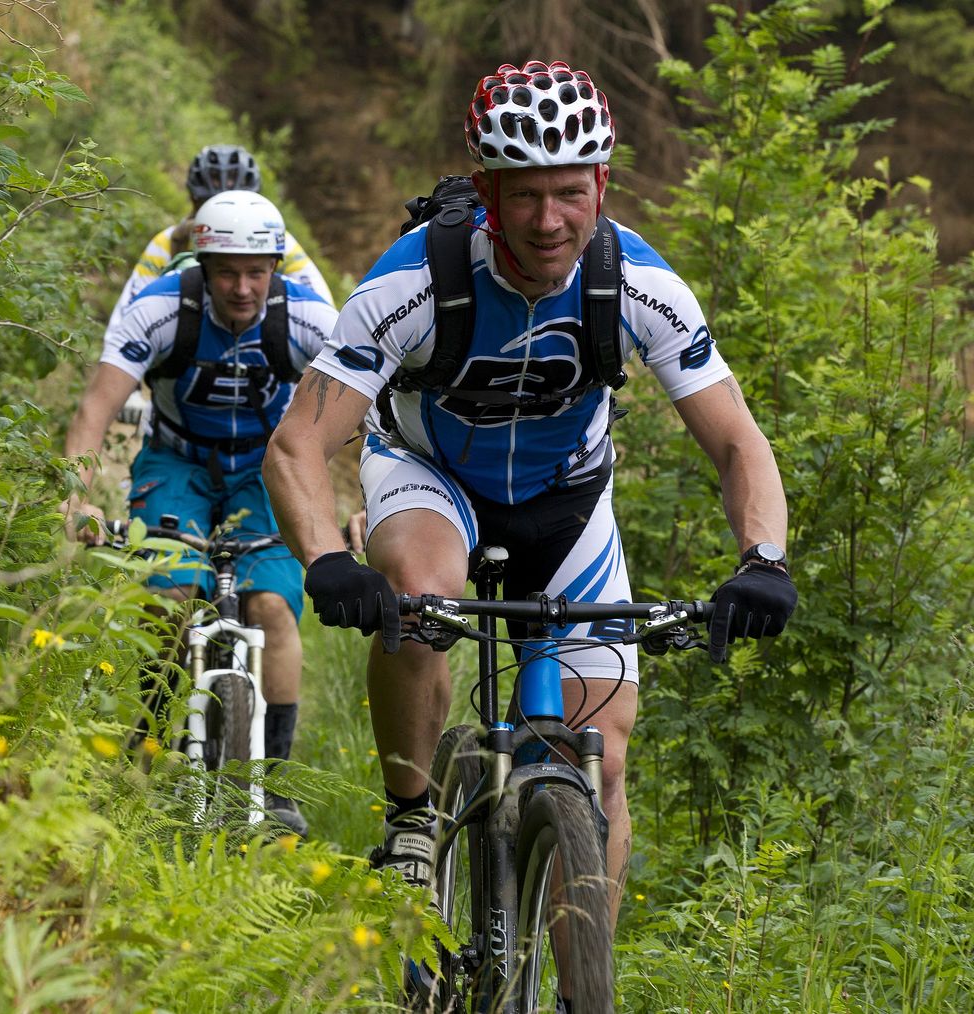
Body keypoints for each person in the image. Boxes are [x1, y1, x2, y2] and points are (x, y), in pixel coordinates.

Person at [262, 61, 797, 919]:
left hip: (568, 501)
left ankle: (584, 980)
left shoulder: (639, 287)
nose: (550, 221)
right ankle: (409, 821)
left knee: (602, 763)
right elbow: (297, 445)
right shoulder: (409, 286)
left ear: (601, 185)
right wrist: (327, 558)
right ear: (486, 191)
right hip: (431, 478)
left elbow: (738, 441)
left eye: (568, 193)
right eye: (524, 196)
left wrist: (762, 559)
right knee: (420, 596)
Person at [64, 190, 339, 837]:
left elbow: (367, 415)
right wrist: (75, 493)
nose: (242, 288)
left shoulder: (305, 319)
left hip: (267, 466)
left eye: (256, 272)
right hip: (176, 463)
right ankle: (152, 731)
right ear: (202, 268)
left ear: (276, 268)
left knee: (271, 606)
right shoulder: (160, 309)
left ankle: (272, 783)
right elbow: (93, 413)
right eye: (226, 272)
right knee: (170, 594)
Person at [104, 144, 334, 338]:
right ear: (195, 203)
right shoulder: (169, 241)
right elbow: (125, 319)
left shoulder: (275, 238)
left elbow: (321, 308)